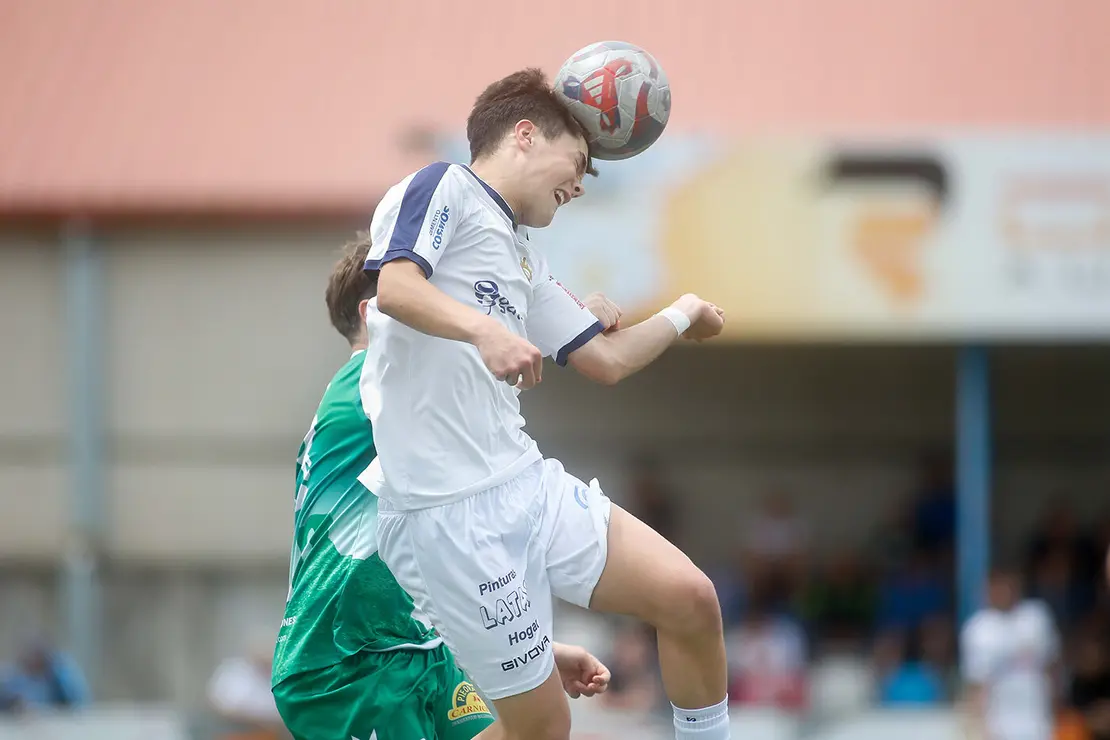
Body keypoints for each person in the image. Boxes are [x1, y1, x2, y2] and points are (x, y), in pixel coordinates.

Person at [361, 68, 729, 740]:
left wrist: (681, 313)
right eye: (579, 162)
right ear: (525, 136)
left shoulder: (523, 254)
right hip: (449, 520)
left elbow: (607, 360)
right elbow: (396, 287)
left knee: (689, 599)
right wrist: (487, 331)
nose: (582, 184)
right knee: (543, 731)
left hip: (524, 485)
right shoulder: (443, 186)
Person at [271, 235, 612, 740]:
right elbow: (493, 364)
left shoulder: (398, 412)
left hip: (414, 644)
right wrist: (574, 325)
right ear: (374, 313)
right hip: (343, 663)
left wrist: (534, 650)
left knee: (538, 729)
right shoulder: (368, 380)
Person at [960, 567, 1060, 740]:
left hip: (1038, 720)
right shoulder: (978, 629)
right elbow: (976, 685)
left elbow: (1052, 667)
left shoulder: (1036, 617)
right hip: (999, 725)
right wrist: (980, 728)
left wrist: (1057, 709)